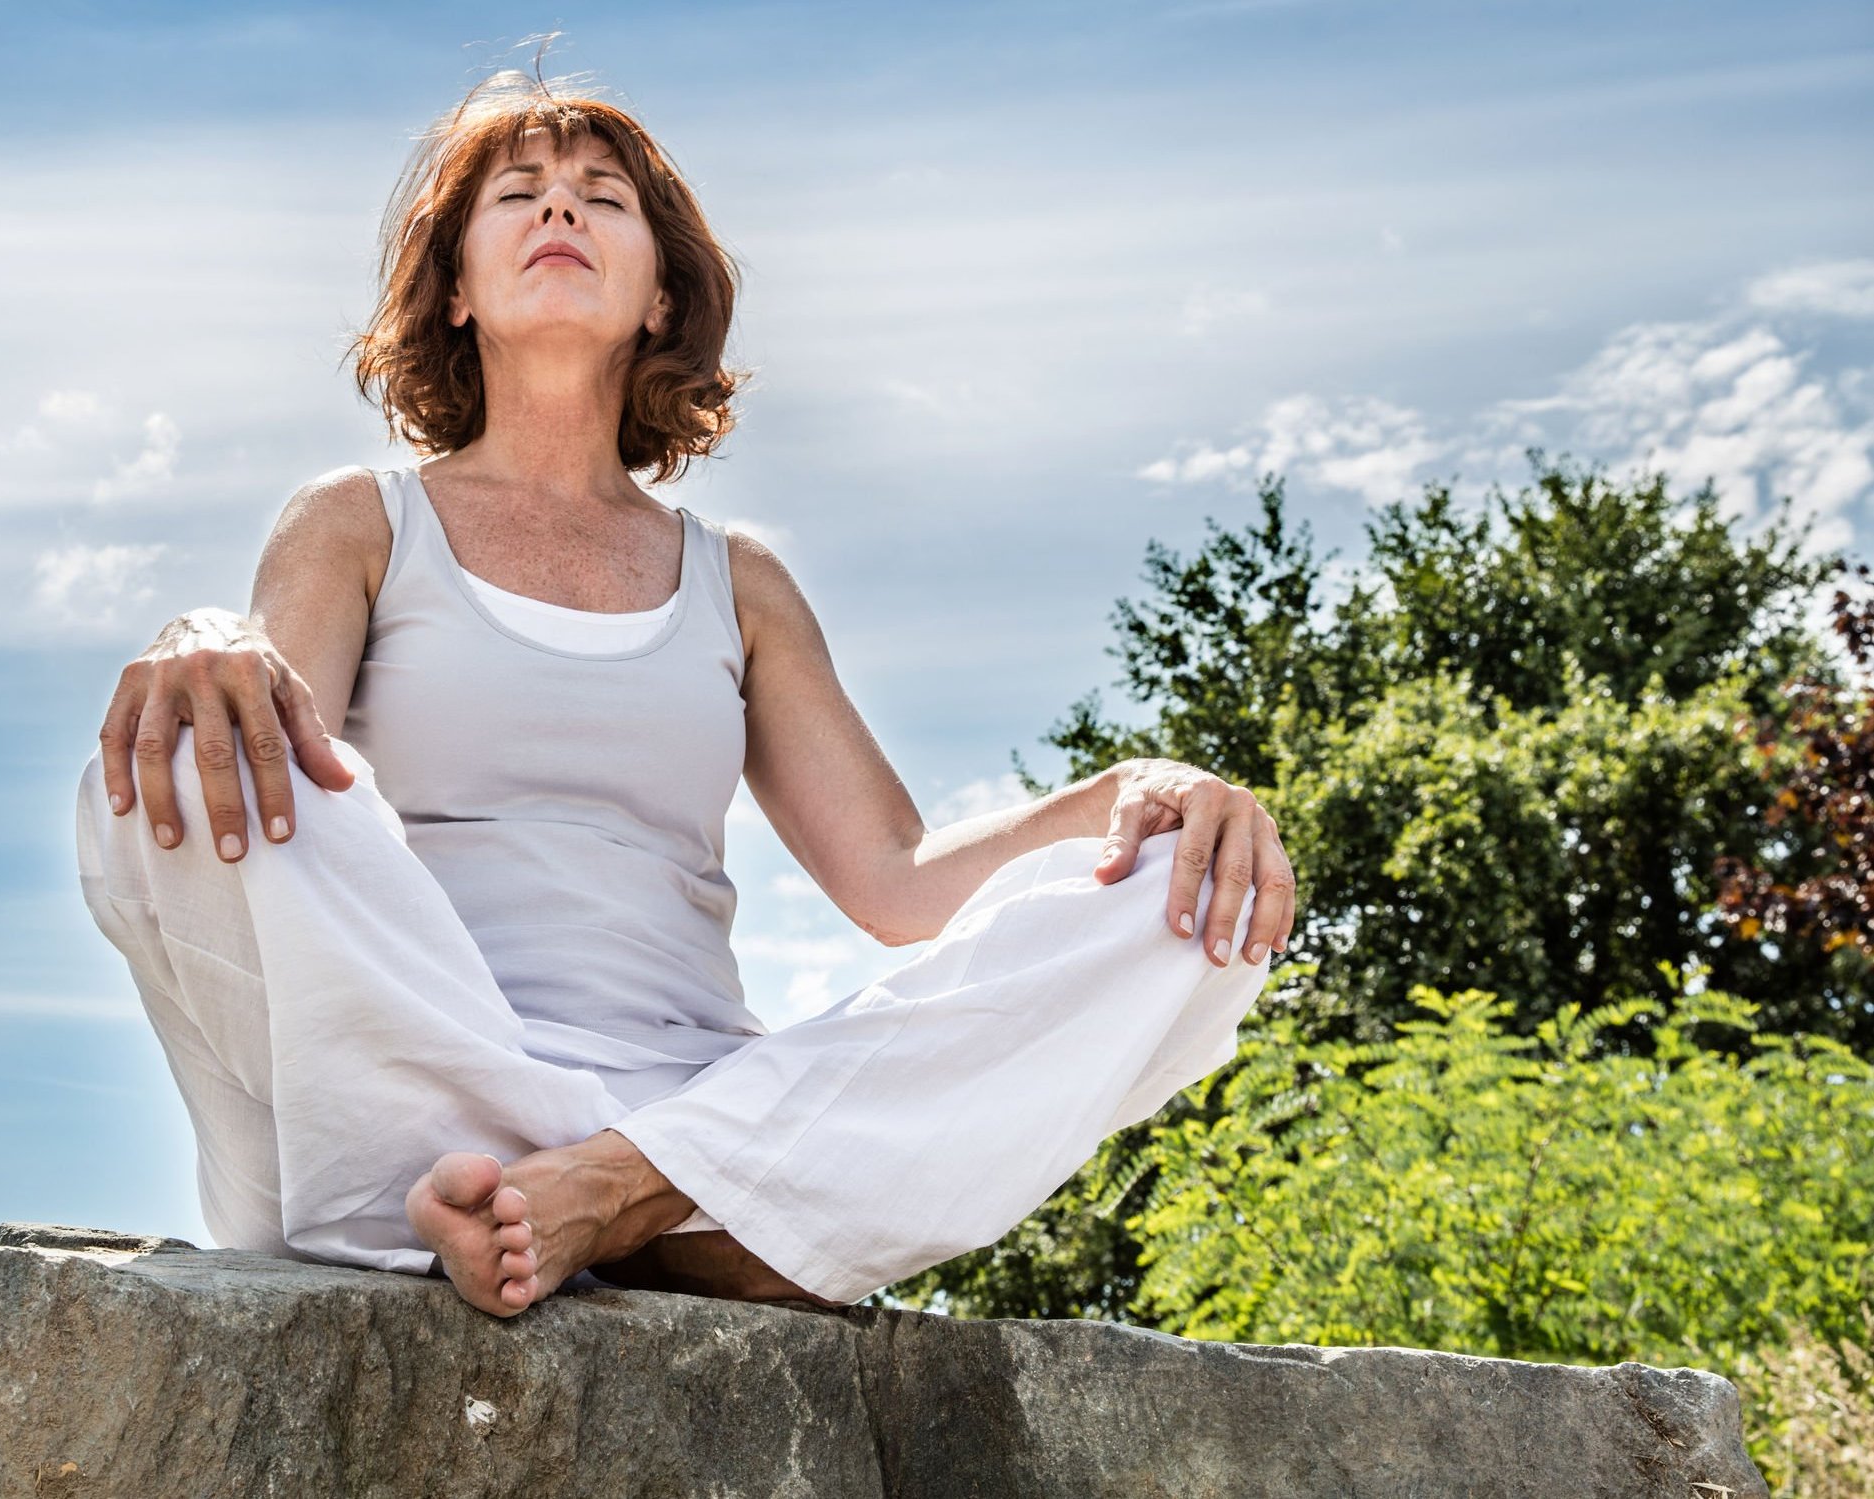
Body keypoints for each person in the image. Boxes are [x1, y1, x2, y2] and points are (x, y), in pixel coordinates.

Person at [76, 66, 1296, 1320]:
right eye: (519, 194)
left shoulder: (740, 581)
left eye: (601, 197)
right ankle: (678, 1218)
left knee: (1177, 892)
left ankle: (617, 1191)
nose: (560, 212)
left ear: (660, 293)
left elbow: (897, 877)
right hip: (406, 1075)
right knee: (181, 735)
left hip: (692, 1097)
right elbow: (273, 755)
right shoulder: (359, 522)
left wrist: (1136, 792)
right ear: (453, 286)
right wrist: (203, 635)